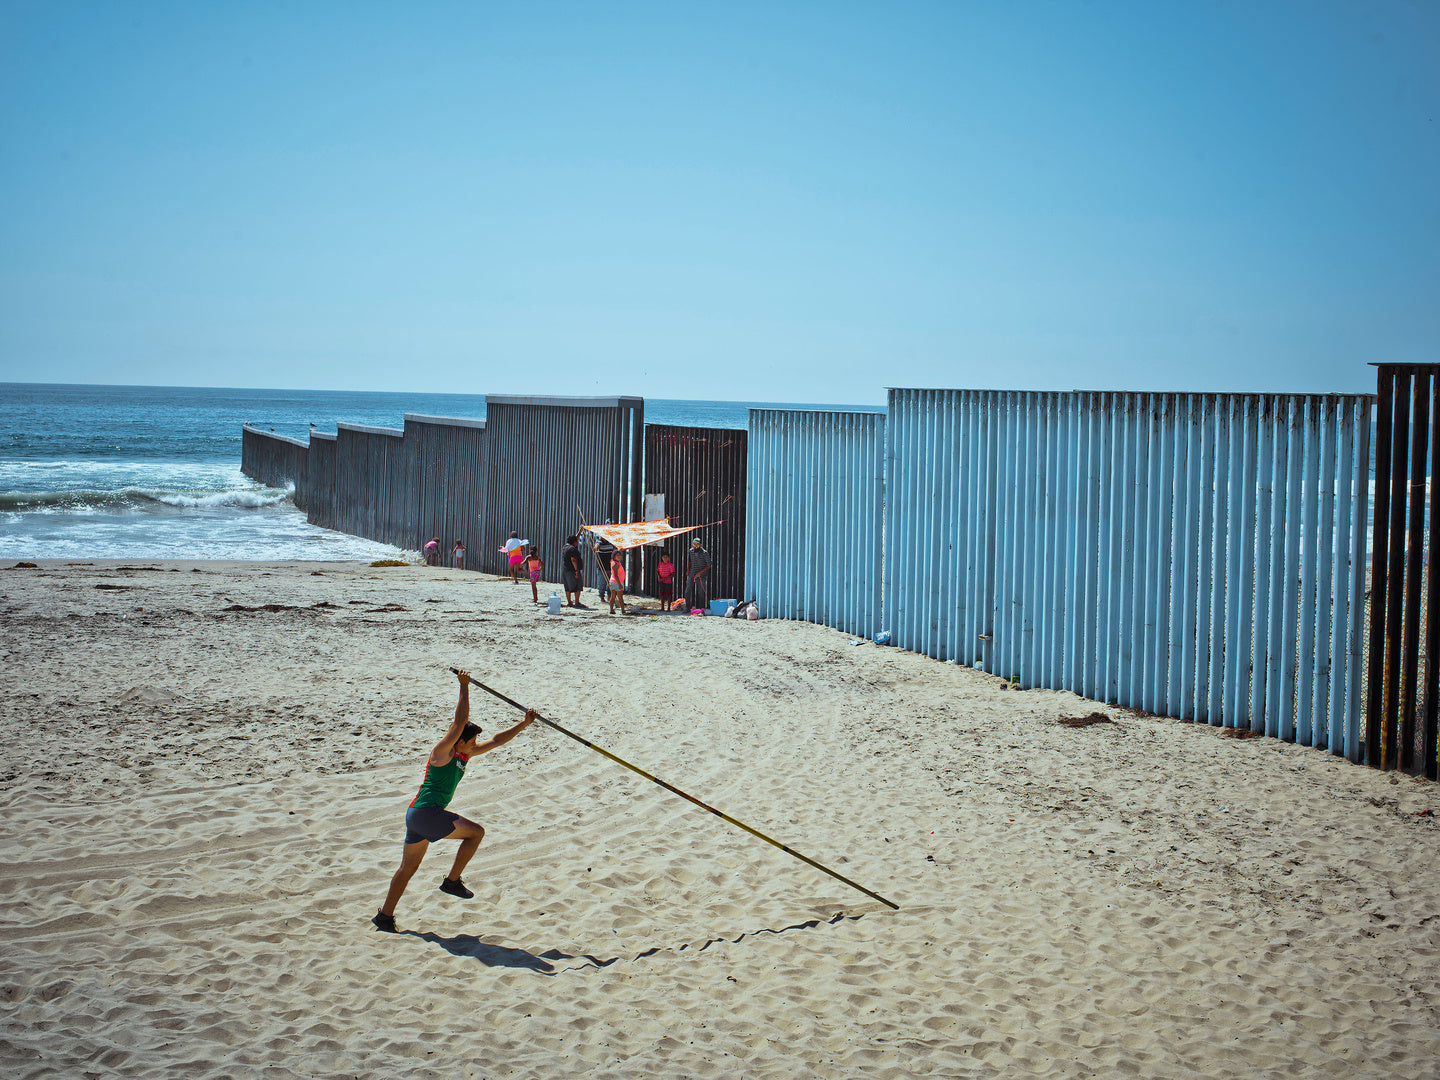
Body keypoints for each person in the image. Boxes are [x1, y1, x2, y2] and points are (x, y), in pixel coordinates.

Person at [373, 669, 538, 932]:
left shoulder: (464, 754)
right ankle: (451, 882)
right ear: (458, 740)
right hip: (427, 813)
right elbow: (459, 721)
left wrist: (524, 724)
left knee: (407, 869)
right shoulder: (442, 753)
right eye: (471, 741)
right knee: (476, 833)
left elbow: (497, 740)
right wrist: (464, 685)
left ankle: (384, 917)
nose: (475, 744)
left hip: (417, 816)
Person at [686, 536, 711, 612]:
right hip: (692, 572)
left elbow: (709, 565)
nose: (695, 546)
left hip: (701, 575)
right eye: (694, 544)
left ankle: (701, 608)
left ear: (700, 545)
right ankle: (687, 607)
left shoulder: (704, 553)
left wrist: (700, 573)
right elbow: (690, 561)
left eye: (697, 544)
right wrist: (688, 570)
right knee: (688, 590)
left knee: (701, 592)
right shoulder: (691, 551)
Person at [561, 535, 585, 608]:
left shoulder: (565, 547)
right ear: (574, 542)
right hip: (572, 570)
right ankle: (577, 602)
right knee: (577, 586)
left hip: (565, 569)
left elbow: (576, 538)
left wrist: (580, 531)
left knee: (567, 587)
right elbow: (573, 560)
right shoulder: (572, 549)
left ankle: (569, 602)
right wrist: (576, 571)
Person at [608, 549, 627, 614]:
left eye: (620, 555)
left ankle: (611, 610)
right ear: (614, 556)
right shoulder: (616, 565)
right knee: (620, 597)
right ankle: (623, 610)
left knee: (612, 597)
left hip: (612, 581)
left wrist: (619, 550)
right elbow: (616, 576)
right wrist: (619, 584)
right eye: (617, 555)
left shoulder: (613, 562)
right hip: (617, 582)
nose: (619, 556)